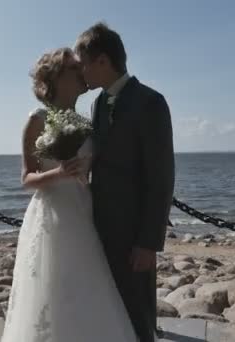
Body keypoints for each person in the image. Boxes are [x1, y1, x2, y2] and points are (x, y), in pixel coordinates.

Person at [0, 47, 138, 342]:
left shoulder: (88, 122)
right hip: (51, 215)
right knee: (52, 288)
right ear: (57, 77)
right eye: (76, 69)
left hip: (83, 211)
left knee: (87, 287)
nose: (83, 72)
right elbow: (27, 179)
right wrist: (59, 173)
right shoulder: (37, 119)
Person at [75, 22, 175, 342]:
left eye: (84, 65)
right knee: (109, 308)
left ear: (103, 61)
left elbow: (161, 176)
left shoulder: (151, 102)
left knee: (138, 311)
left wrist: (148, 241)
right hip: (100, 226)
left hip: (134, 234)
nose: (81, 74)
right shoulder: (97, 104)